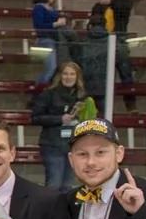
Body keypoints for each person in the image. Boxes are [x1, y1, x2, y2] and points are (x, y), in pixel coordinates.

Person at [31, 61, 97, 192]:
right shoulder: (48, 94)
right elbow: (35, 118)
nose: (69, 77)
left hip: (74, 146)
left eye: (72, 74)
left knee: (68, 186)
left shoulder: (83, 97)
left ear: (77, 77)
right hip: (52, 145)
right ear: (59, 76)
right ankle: (49, 212)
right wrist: (59, 119)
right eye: (65, 73)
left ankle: (64, 212)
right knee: (54, 184)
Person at [32, 0, 67, 85]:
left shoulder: (50, 8)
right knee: (51, 68)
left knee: (53, 69)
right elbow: (39, 26)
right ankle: (39, 91)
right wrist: (56, 23)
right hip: (45, 40)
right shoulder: (38, 8)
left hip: (54, 40)